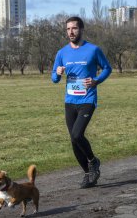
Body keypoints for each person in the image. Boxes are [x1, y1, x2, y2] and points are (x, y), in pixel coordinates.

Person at [51, 16, 112, 189]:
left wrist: (96, 80)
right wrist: (58, 72)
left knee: (77, 134)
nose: (71, 32)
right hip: (70, 101)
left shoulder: (93, 50)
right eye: (68, 29)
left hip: (87, 99)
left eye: (74, 28)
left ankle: (93, 161)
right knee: (73, 140)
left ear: (81, 29)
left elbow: (107, 68)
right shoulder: (62, 53)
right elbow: (54, 78)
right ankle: (88, 173)